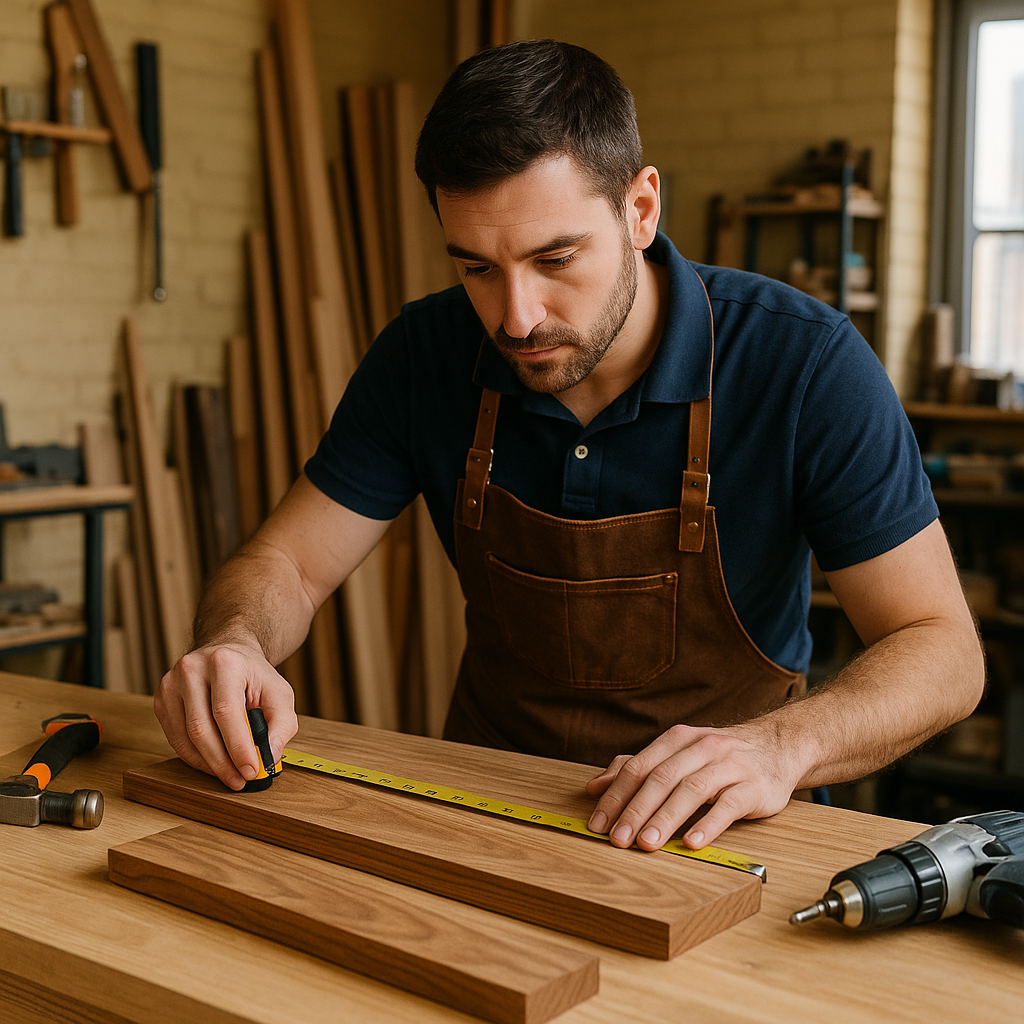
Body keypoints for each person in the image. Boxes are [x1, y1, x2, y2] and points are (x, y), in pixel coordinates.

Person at [155, 39, 984, 853]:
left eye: (555, 258)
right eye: (476, 268)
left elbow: (942, 649)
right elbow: (289, 566)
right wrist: (235, 641)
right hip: (483, 808)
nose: (515, 317)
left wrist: (781, 747)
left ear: (641, 208)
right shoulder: (424, 354)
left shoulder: (804, 364)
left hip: (719, 836)